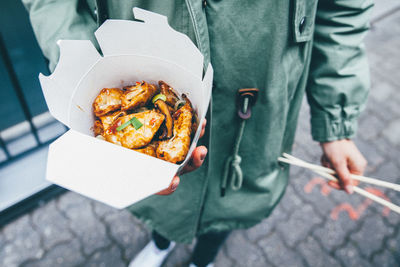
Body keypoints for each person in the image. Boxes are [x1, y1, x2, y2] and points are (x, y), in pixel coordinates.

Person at [22, 0, 373, 266]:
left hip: (264, 95)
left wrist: (336, 121)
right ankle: (163, 241)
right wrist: (86, 73)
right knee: (166, 194)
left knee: (234, 191)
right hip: (137, 70)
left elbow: (344, 9)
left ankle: (201, 259)